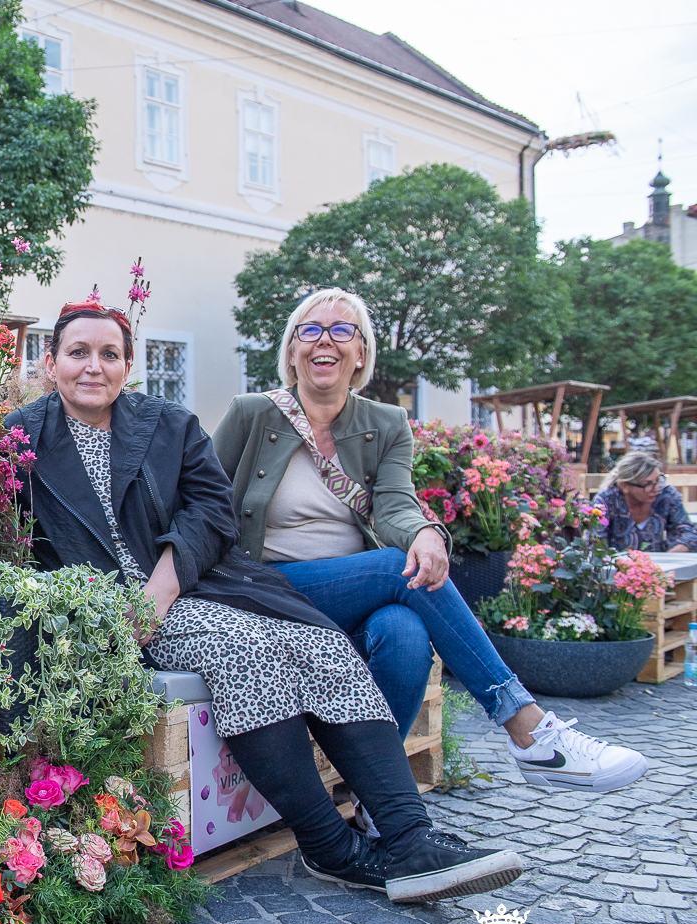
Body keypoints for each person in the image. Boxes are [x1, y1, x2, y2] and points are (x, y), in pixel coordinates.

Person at [4, 299, 522, 904]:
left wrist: (165, 582)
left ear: (128, 364)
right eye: (78, 353)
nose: (94, 367)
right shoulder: (19, 437)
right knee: (246, 646)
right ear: (50, 362)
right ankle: (331, 845)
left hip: (188, 590)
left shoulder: (168, 425)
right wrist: (81, 604)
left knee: (316, 638)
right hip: (93, 612)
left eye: (109, 354)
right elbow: (3, 542)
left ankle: (409, 837)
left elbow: (211, 508)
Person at [213, 288, 647, 798]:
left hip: (353, 591)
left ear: (361, 353)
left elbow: (396, 503)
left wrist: (423, 531)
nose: (323, 341)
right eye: (309, 330)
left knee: (405, 631)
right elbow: (204, 500)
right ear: (291, 351)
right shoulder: (252, 414)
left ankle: (379, 798)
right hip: (267, 590)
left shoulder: (386, 423)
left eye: (341, 331)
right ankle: (527, 728)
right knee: (394, 569)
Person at [592, 452, 697, 554]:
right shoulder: (606, 501)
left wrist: (665, 559)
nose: (656, 488)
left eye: (658, 480)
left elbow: (689, 535)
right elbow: (595, 542)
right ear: (625, 486)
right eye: (647, 484)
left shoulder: (666, 495)